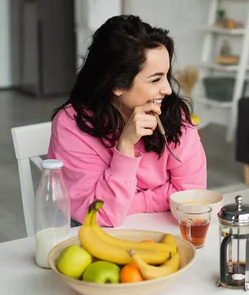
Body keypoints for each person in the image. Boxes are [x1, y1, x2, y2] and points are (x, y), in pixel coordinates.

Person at [48, 15, 206, 227]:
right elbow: (100, 215)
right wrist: (125, 147)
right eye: (155, 79)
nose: (168, 89)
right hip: (95, 236)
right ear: (118, 84)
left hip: (164, 227)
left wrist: (134, 202)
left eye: (166, 76)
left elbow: (191, 195)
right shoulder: (71, 125)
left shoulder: (173, 112)